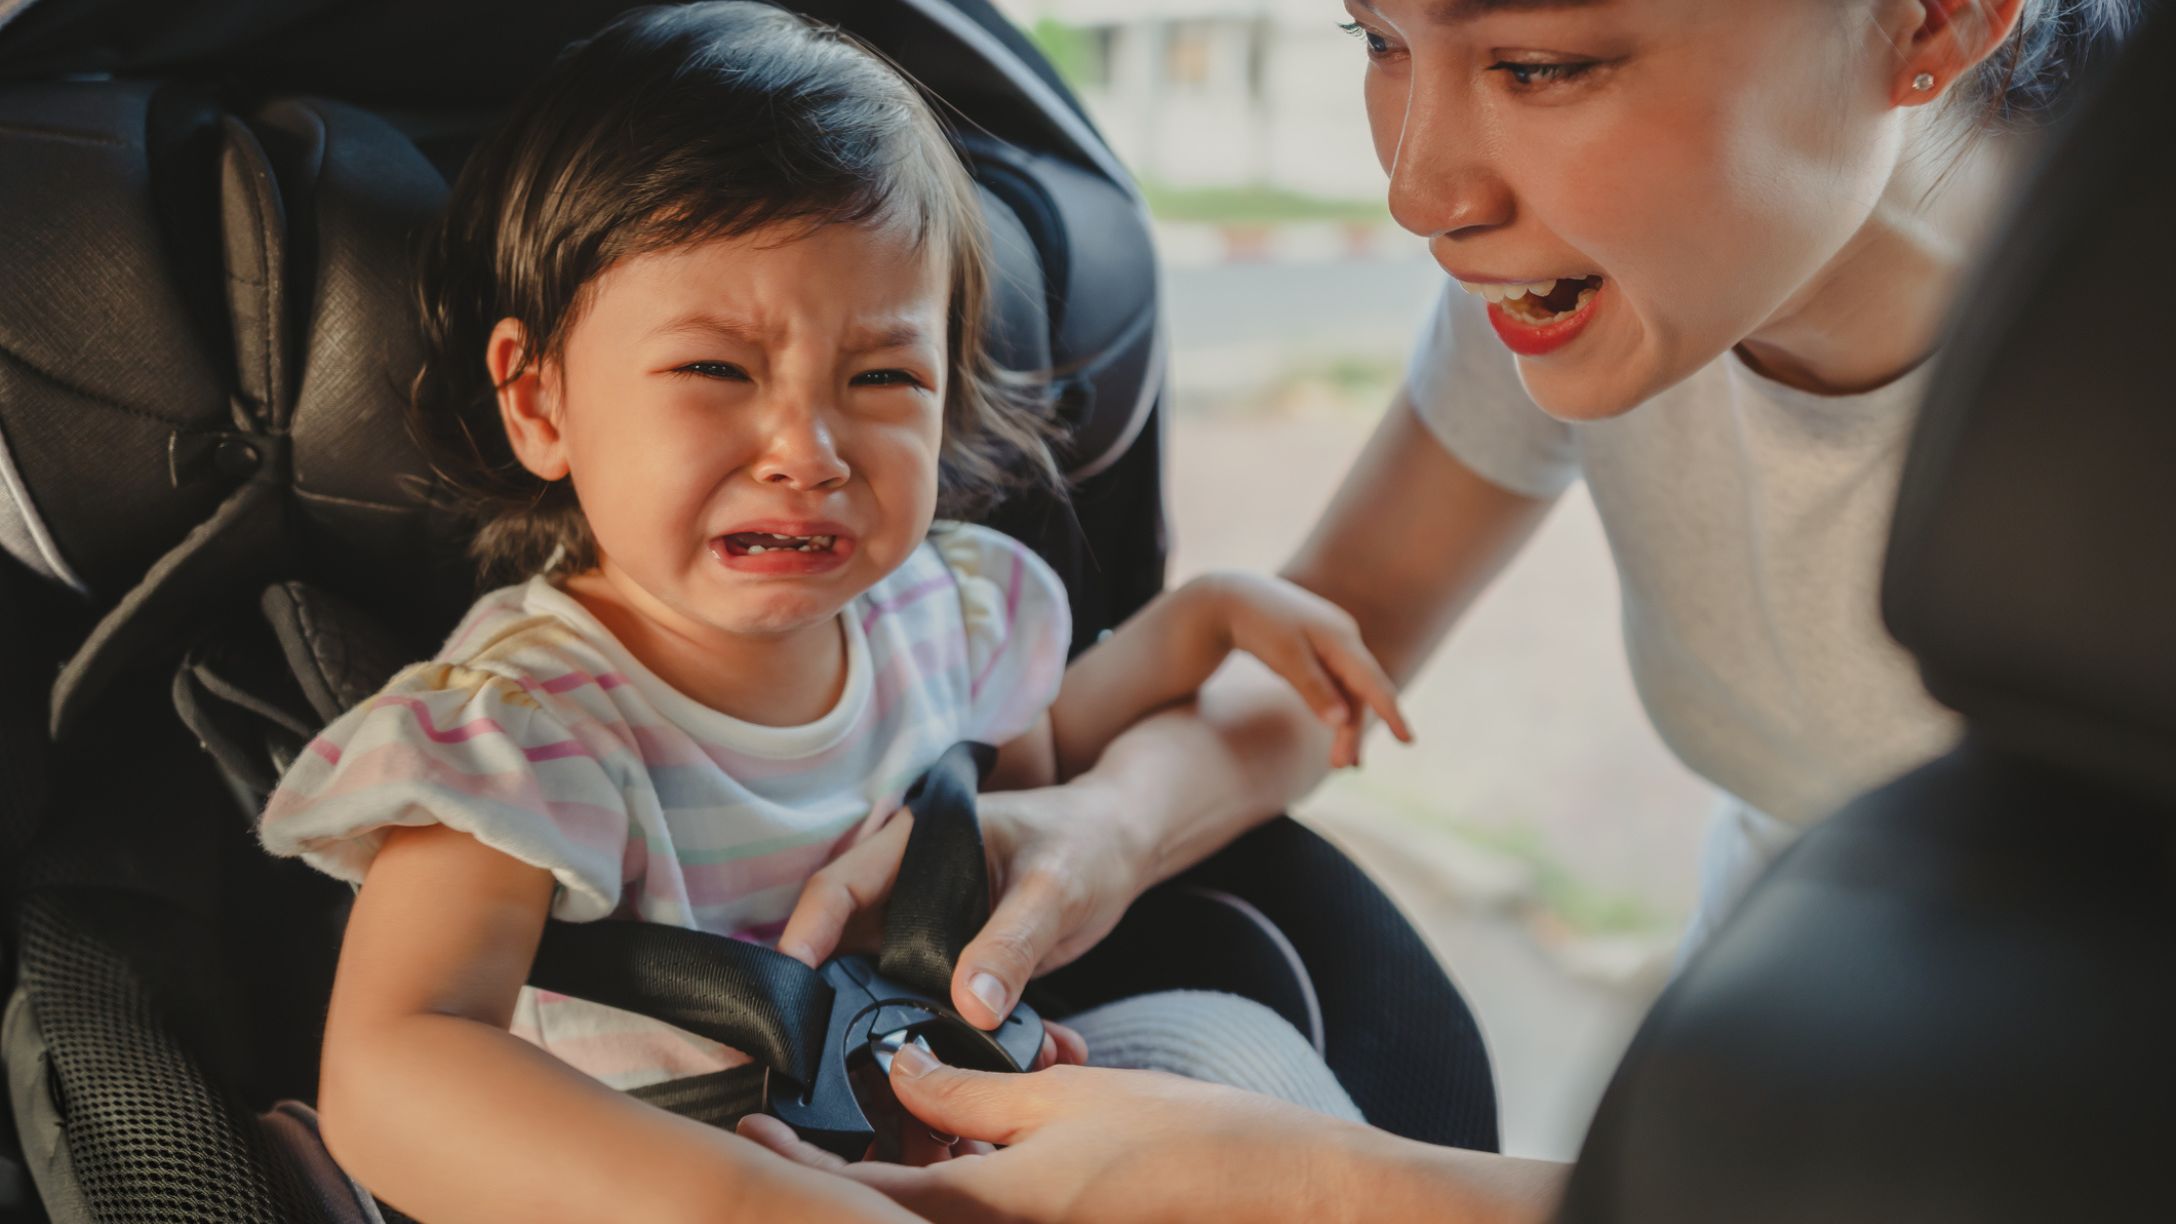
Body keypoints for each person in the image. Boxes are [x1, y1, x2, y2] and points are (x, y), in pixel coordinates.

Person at [741, 0, 2139, 1219]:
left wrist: (1322, 1186)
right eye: (1379, 39)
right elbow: (1349, 622)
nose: (1420, 194)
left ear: (1934, 17)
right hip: (1765, 1056)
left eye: (1539, 65)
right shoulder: (1588, 278)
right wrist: (1104, 821)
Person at [253, 5, 1412, 1221]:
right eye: (717, 369)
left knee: (1237, 1056)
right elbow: (396, 1066)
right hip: (667, 1190)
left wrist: (1201, 625)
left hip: (962, 1127)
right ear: (539, 402)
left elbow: (1034, 772)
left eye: (881, 377)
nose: (807, 452)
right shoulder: (527, 727)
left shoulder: (949, 614)